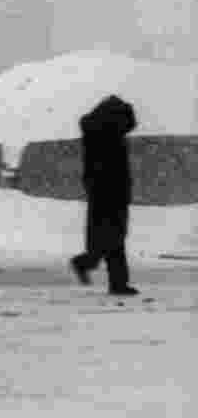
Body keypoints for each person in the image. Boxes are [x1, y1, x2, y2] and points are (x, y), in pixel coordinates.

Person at [70, 95, 140, 296]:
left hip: (103, 192)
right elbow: (111, 168)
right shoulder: (107, 136)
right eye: (127, 124)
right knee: (113, 237)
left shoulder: (100, 132)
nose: (129, 128)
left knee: (110, 238)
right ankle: (92, 267)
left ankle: (114, 281)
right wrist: (117, 189)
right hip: (109, 193)